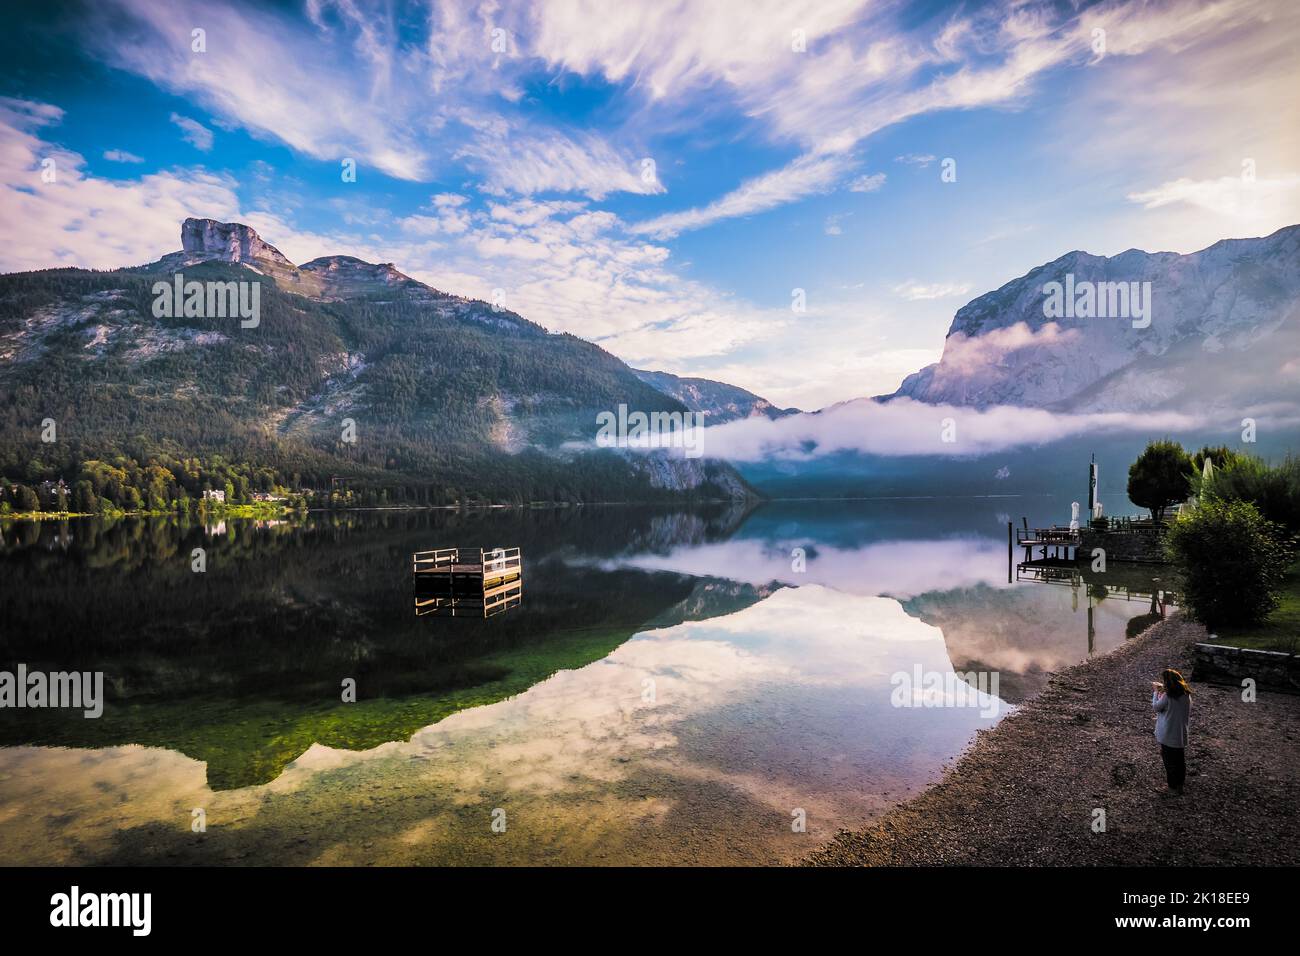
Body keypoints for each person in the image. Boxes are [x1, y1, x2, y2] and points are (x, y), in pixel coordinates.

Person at [1151, 668, 1192, 794]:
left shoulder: (1167, 696)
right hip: (1180, 733)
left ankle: (1172, 788)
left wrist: (1156, 693)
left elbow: (1156, 707)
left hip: (1168, 734)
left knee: (1169, 761)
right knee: (1179, 761)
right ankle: (1179, 785)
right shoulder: (1186, 695)